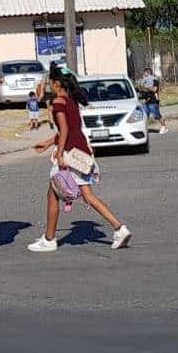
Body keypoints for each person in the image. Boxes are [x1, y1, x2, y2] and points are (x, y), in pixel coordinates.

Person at [28, 67, 132, 253]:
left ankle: (49, 239)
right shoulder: (71, 101)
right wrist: (48, 142)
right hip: (81, 153)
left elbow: (65, 130)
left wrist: (59, 154)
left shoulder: (60, 102)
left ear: (57, 83)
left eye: (50, 82)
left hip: (70, 154)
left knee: (52, 195)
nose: (49, 85)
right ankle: (119, 228)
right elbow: (69, 129)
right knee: (87, 196)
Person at [137, 67, 168, 134]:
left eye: (145, 73)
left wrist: (146, 86)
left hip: (153, 101)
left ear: (148, 73)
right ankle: (143, 129)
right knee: (145, 115)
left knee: (157, 115)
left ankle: (164, 127)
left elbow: (154, 89)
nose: (144, 74)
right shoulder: (144, 81)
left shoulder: (154, 80)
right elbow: (140, 89)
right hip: (146, 101)